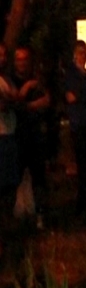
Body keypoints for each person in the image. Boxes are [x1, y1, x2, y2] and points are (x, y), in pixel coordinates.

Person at [11, 46, 51, 229]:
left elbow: (48, 101)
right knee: (15, 177)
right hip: (18, 135)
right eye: (18, 59)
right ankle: (15, 214)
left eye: (24, 59)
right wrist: (30, 99)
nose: (21, 63)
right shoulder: (12, 81)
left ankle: (40, 213)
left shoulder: (37, 80)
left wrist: (33, 104)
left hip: (35, 136)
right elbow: (16, 104)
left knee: (39, 177)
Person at [63, 40, 86, 218]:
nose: (82, 55)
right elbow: (71, 97)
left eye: (84, 52)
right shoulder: (71, 74)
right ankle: (83, 198)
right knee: (81, 162)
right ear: (74, 54)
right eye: (79, 52)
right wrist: (82, 95)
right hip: (78, 123)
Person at [0, 43, 19, 220]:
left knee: (10, 182)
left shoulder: (7, 79)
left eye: (4, 55)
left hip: (9, 134)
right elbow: (5, 104)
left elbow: (15, 98)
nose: (3, 59)